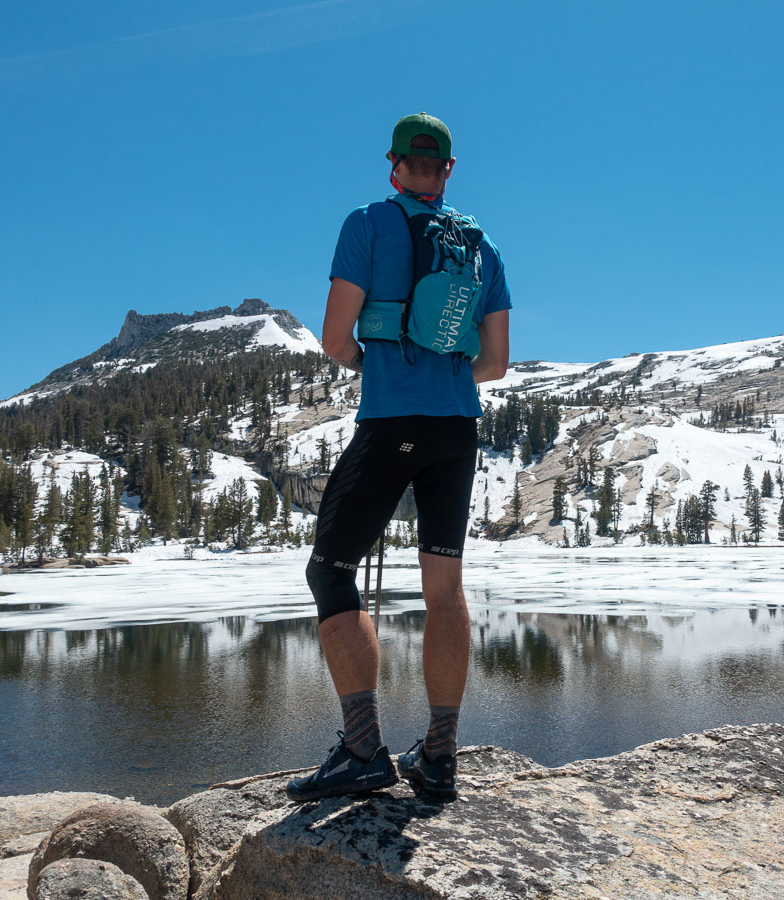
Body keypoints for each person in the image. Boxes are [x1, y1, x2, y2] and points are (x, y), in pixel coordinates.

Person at [286, 113, 511, 802]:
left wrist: (381, 367)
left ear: (394, 166)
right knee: (445, 587)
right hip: (456, 432)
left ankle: (362, 749)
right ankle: (438, 757)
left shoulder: (368, 224)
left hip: (392, 423)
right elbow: (496, 363)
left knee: (329, 570)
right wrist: (444, 377)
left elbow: (333, 338)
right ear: (447, 170)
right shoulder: (481, 248)